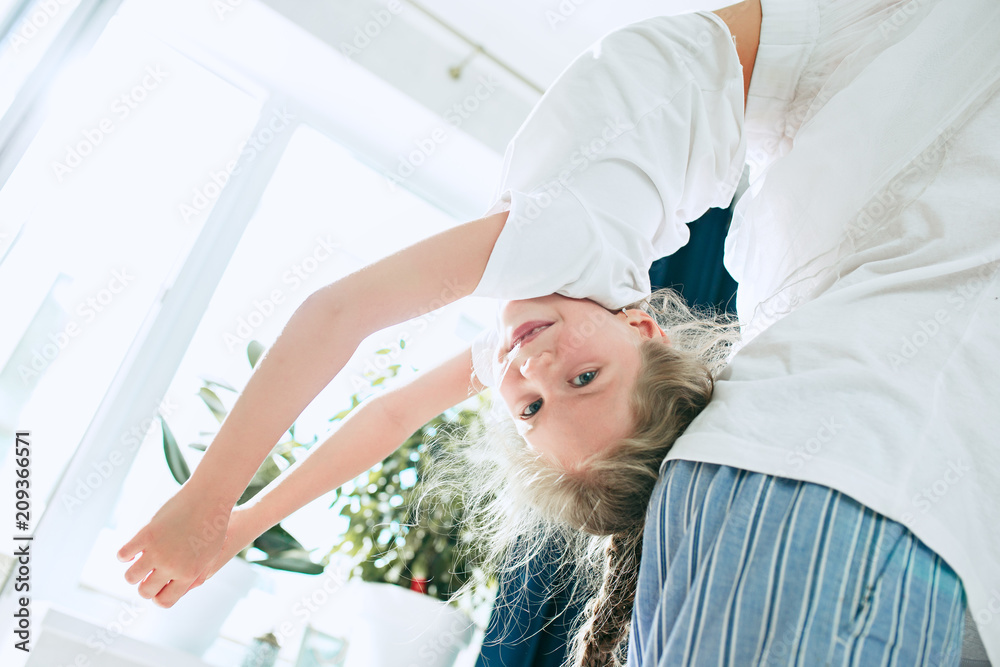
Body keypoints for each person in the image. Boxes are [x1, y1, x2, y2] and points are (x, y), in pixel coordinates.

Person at [117, 0, 1000, 664]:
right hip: (742, 74)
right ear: (644, 326)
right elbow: (336, 312)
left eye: (532, 407)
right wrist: (206, 500)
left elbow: (390, 416)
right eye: (585, 378)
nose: (534, 366)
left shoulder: (531, 320)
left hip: (767, 84)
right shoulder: (570, 252)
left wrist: (248, 519)